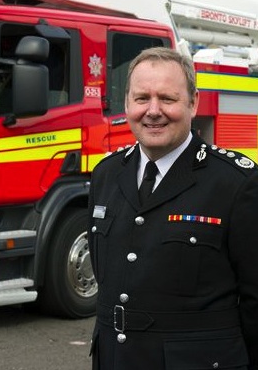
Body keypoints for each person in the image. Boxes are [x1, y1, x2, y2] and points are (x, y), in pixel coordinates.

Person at [88, 46, 258, 369]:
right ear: (127, 104)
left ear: (193, 103)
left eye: (167, 99)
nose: (153, 111)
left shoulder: (236, 184)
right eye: (142, 99)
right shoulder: (106, 175)